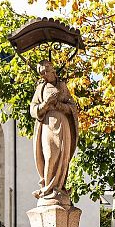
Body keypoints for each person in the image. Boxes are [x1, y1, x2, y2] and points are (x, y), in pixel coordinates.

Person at [30, 60, 78, 200]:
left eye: (46, 71)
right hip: (47, 124)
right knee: (50, 155)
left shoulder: (62, 86)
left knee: (63, 156)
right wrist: (45, 104)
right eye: (42, 73)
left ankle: (59, 187)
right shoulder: (41, 88)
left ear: (53, 70)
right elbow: (33, 109)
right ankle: (47, 189)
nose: (44, 75)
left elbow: (72, 107)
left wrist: (58, 105)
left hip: (63, 125)